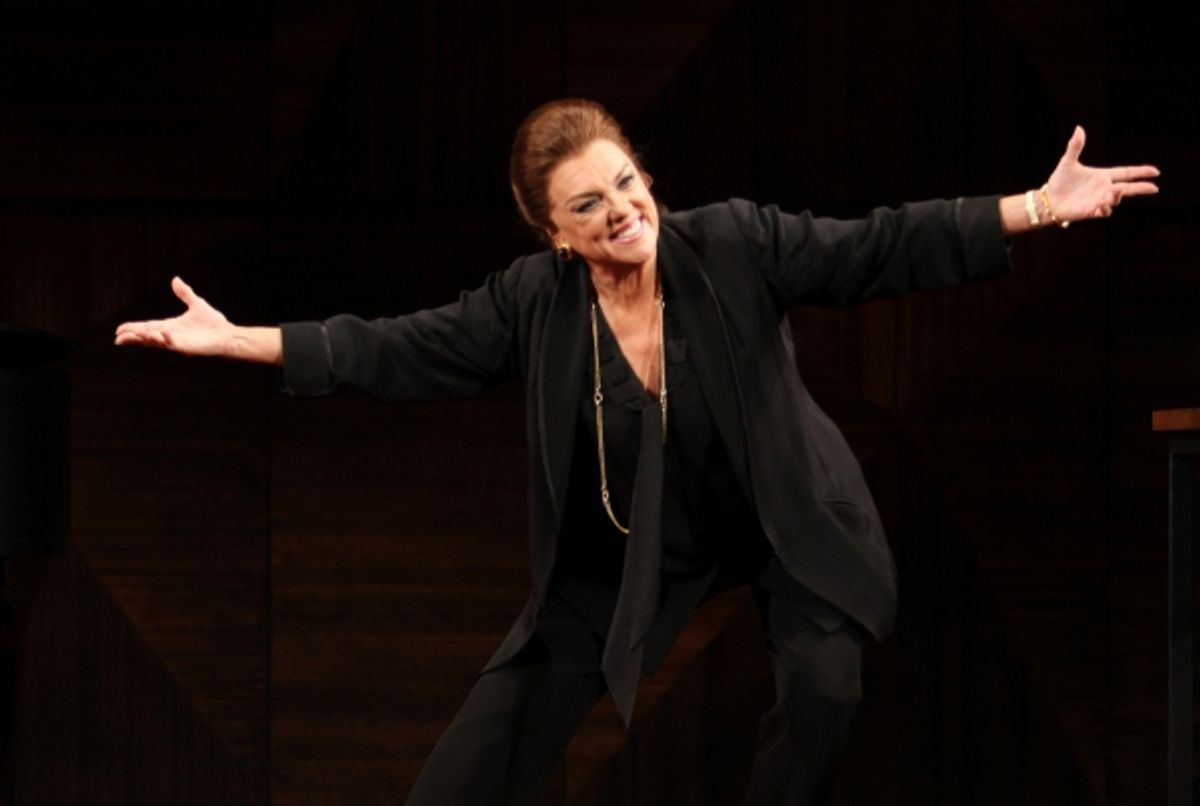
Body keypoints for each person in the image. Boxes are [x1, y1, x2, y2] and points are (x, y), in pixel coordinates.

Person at [115, 98, 1159, 804]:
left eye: (625, 183)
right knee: (493, 737)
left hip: (786, 508)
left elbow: (876, 243)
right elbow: (395, 346)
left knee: (826, 691)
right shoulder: (536, 302)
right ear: (556, 236)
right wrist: (238, 338)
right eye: (589, 207)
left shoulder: (733, 243)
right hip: (640, 535)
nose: (622, 212)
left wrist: (1035, 208)